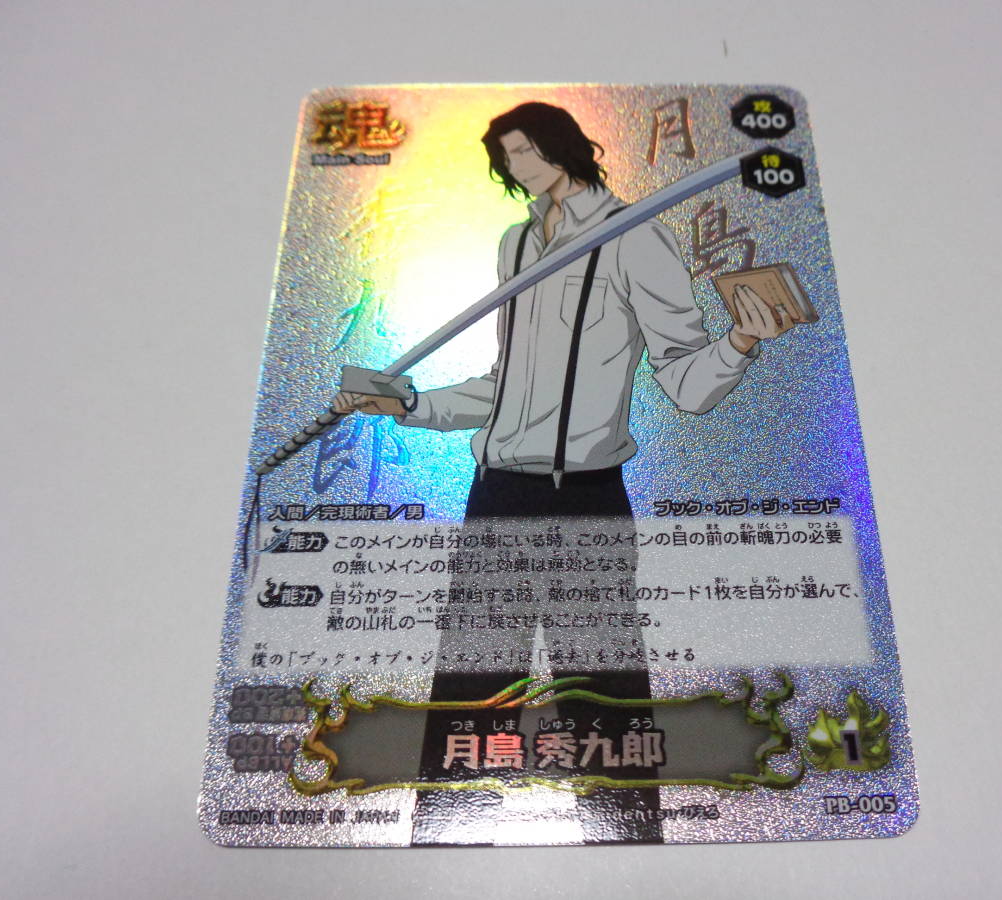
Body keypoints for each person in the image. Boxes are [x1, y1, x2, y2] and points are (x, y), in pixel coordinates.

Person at [330, 101, 797, 844]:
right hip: (497, 495)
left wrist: (740, 342)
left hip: (582, 497)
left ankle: (632, 851)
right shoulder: (517, 244)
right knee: (471, 687)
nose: (516, 167)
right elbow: (506, 383)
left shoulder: (634, 237)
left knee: (602, 690)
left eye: (524, 150)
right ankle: (442, 846)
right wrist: (409, 403)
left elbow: (684, 378)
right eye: (506, 157)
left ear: (562, 146)